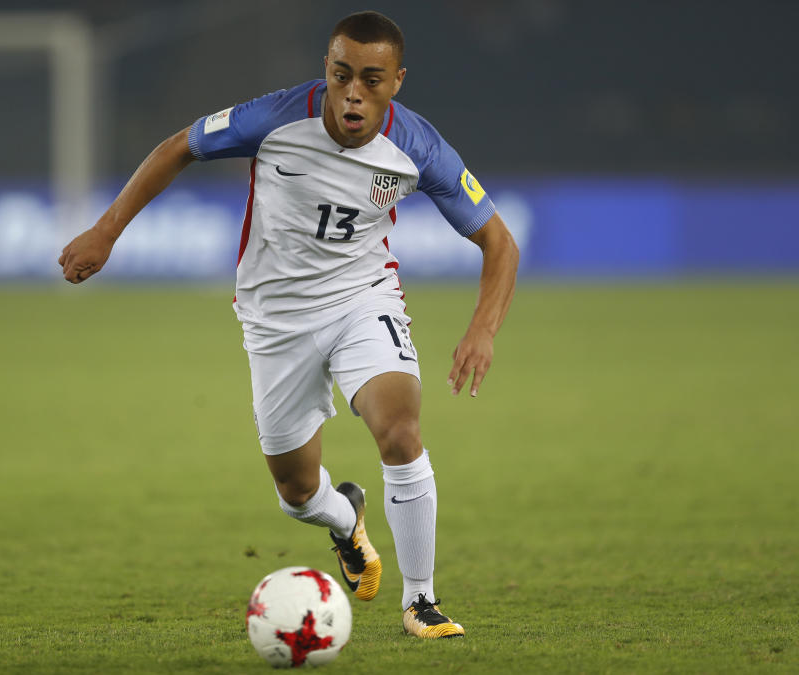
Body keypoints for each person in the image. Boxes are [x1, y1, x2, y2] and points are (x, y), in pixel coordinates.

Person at [59, 10, 519, 639]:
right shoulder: (276, 117)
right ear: (326, 71)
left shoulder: (419, 147)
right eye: (341, 75)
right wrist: (106, 231)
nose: (354, 93)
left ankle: (421, 601)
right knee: (297, 491)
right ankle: (343, 519)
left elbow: (499, 243)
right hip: (274, 320)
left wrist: (483, 330)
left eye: (372, 80)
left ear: (398, 81)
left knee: (401, 430)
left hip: (364, 299)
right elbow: (179, 147)